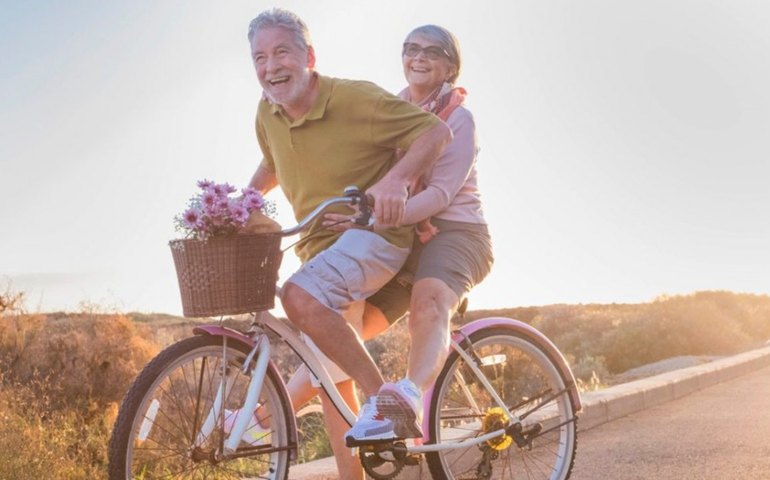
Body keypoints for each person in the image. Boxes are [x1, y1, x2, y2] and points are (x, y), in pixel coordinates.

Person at [245, 9, 452, 479]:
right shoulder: (267, 111)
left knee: (297, 295)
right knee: (328, 378)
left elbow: (434, 133)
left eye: (282, 52)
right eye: (260, 57)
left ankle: (387, 404)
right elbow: (273, 161)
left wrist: (398, 181)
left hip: (374, 237)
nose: (270, 66)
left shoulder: (355, 98)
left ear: (309, 56)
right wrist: (241, 201)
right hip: (319, 249)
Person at [288, 24, 494, 444]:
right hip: (403, 237)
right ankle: (265, 415)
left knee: (428, 303)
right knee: (342, 334)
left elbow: (438, 195)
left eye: (432, 51)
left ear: (450, 66)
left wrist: (372, 221)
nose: (419, 57)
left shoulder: (459, 117)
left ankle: (404, 398)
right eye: (411, 48)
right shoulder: (395, 106)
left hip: (457, 233)